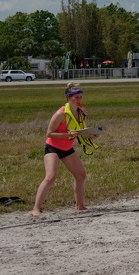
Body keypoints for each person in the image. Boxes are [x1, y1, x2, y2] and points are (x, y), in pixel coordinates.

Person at [30, 83, 91, 216]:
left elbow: (80, 131)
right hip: (53, 147)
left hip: (67, 148)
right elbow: (49, 133)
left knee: (81, 175)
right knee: (51, 176)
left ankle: (79, 205)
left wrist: (91, 135)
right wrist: (68, 134)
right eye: (76, 97)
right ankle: (36, 208)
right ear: (68, 98)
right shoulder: (60, 113)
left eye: (81, 97)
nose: (79, 100)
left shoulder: (81, 111)